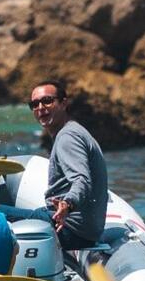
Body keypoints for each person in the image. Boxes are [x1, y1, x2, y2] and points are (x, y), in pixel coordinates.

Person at [26, 80, 108, 258]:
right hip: (78, 227)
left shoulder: (67, 137)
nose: (40, 108)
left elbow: (81, 180)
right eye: (34, 104)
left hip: (70, 229)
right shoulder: (73, 131)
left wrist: (68, 204)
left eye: (47, 101)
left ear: (64, 103)